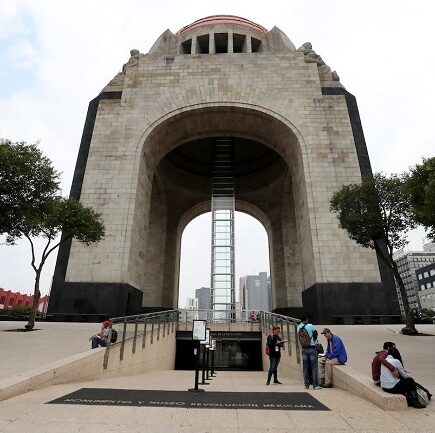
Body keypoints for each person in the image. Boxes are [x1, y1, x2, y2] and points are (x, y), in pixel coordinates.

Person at [297, 315, 322, 389]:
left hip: (304, 349)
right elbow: (315, 335)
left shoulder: (298, 327)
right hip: (311, 348)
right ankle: (315, 385)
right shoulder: (310, 325)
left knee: (305, 367)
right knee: (314, 367)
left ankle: (306, 385)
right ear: (307, 319)